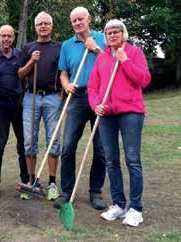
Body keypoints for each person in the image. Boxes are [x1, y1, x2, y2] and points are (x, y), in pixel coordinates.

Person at [88, 19, 151, 227]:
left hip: (131, 113)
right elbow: (93, 87)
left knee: (132, 159)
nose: (112, 35)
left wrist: (125, 61)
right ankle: (118, 204)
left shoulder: (134, 53)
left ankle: (135, 209)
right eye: (108, 32)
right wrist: (96, 105)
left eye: (116, 32)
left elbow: (144, 80)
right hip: (107, 115)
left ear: (124, 34)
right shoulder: (102, 57)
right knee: (111, 160)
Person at [53, 6, 107, 210]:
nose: (77, 23)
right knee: (68, 146)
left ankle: (96, 192)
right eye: (74, 20)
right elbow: (63, 72)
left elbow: (111, 64)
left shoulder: (102, 38)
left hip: (100, 98)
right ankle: (66, 191)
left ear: (89, 19)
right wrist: (66, 84)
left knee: (101, 149)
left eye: (80, 19)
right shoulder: (67, 45)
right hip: (76, 98)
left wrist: (95, 48)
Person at [18, 12, 62, 201]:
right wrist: (32, 61)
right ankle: (31, 181)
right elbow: (20, 74)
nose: (43, 26)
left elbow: (64, 72)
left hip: (52, 98)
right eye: (39, 24)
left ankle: (52, 183)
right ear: (35, 27)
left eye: (46, 23)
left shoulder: (59, 48)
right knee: (29, 141)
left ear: (51, 26)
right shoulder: (27, 48)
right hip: (31, 98)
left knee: (53, 141)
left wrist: (61, 92)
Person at [0, 25, 29, 199]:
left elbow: (26, 75)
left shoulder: (20, 54)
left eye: (9, 36)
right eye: (3, 36)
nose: (6, 39)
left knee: (23, 143)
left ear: (13, 37)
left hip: (18, 104)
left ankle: (26, 179)